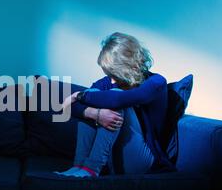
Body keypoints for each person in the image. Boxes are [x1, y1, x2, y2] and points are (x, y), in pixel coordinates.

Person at [55, 32, 172, 178]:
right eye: (108, 74)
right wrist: (95, 114)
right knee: (94, 93)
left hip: (143, 160)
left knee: (111, 95)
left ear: (130, 66)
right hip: (112, 160)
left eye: (114, 74)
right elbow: (72, 108)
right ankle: (79, 166)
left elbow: (118, 100)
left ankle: (91, 170)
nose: (110, 80)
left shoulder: (156, 83)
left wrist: (78, 95)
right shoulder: (108, 82)